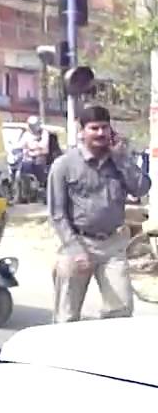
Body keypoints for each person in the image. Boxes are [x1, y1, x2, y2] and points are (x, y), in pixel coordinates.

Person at [47, 105, 152, 322]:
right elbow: (57, 214)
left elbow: (141, 188)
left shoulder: (118, 160)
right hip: (77, 243)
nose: (101, 133)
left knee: (121, 310)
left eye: (105, 128)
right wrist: (76, 250)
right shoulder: (64, 165)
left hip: (113, 244)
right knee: (66, 315)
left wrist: (122, 159)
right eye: (94, 128)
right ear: (82, 130)